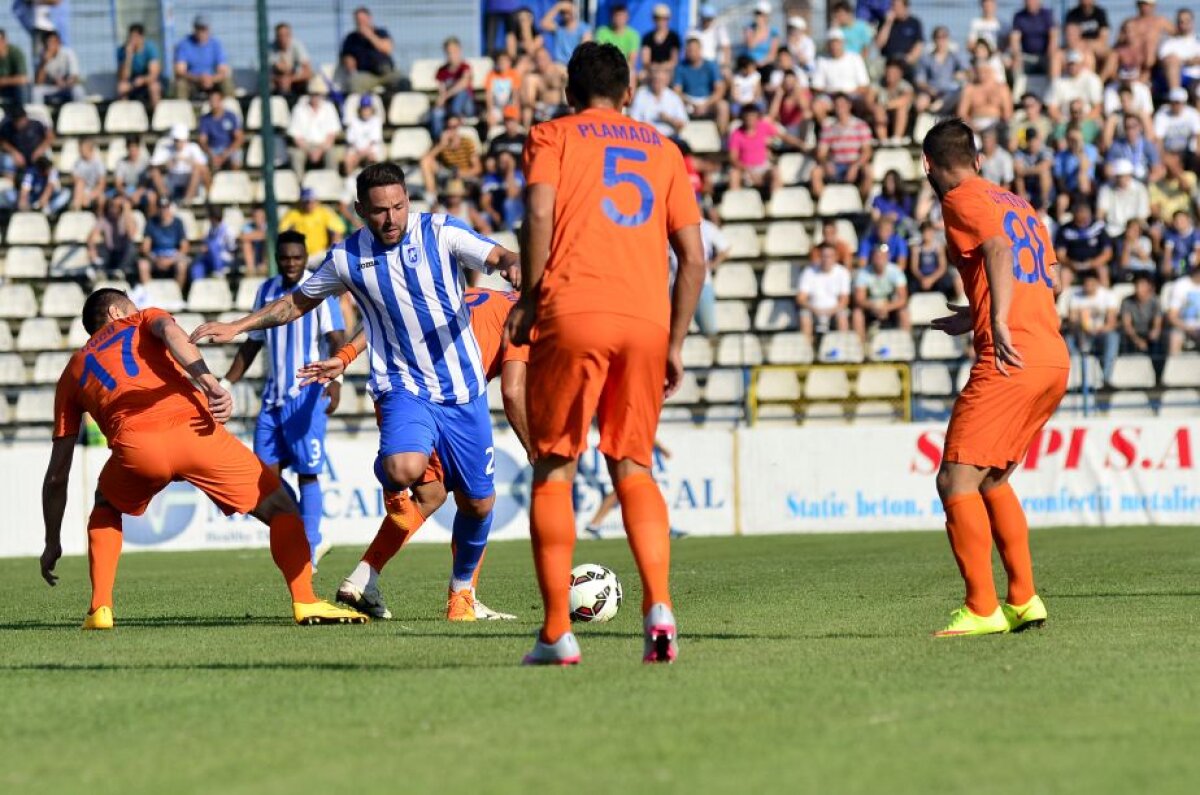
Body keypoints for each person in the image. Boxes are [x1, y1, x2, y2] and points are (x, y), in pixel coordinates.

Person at [191, 162, 522, 624]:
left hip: (463, 391)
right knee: (402, 468)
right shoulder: (347, 258)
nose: (392, 219)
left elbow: (497, 255)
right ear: (360, 210)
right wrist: (238, 326)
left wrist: (511, 265)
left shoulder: (442, 232)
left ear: (408, 199)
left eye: (399, 206)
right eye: (380, 211)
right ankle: (391, 487)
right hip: (402, 387)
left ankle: (461, 597)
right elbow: (294, 303)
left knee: (479, 503)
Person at [505, 41, 705, 665]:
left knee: (555, 467)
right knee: (634, 467)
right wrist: (673, 340)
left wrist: (534, 296)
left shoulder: (552, 135)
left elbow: (538, 210)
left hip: (574, 311)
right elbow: (694, 258)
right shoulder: (665, 150)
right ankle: (660, 608)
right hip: (646, 321)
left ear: (569, 93)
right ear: (629, 92)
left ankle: (558, 633)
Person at [40, 288, 365, 628]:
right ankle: (306, 601)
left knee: (105, 503)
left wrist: (52, 542)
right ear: (116, 313)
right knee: (279, 506)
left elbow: (57, 474)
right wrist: (210, 383)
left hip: (136, 451)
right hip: (194, 432)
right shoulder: (141, 318)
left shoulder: (73, 370)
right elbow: (171, 333)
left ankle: (100, 609)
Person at [295, 286, 530, 620]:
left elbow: (389, 319)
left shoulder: (479, 293)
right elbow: (513, 389)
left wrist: (346, 356)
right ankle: (462, 598)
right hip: (449, 401)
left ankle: (364, 578)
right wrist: (535, 448)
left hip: (413, 389)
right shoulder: (527, 316)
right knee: (477, 503)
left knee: (430, 495)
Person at [921, 118, 1068, 638]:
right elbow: (1050, 279)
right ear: (979, 159)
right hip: (1051, 354)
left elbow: (999, 253)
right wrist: (977, 312)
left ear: (928, 165)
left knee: (955, 478)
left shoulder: (959, 198)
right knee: (993, 479)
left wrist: (998, 320)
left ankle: (982, 608)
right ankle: (1024, 600)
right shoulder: (1020, 205)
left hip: (1011, 355)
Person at [221, 231, 346, 565]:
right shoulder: (267, 290)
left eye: (297, 257)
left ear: (305, 257)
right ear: (278, 258)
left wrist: (337, 380)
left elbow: (337, 338)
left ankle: (312, 544)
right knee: (264, 478)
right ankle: (309, 529)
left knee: (308, 472)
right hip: (272, 400)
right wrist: (226, 384)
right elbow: (252, 343)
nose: (291, 263)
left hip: (305, 396)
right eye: (285, 257)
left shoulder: (320, 289)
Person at [810, 92, 873, 201]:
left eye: (842, 104)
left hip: (854, 163)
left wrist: (856, 166)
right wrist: (826, 163)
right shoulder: (828, 127)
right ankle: (826, 203)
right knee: (815, 173)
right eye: (837, 105)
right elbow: (822, 153)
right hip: (836, 164)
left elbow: (867, 151)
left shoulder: (860, 125)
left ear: (849, 105)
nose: (840, 108)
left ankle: (861, 201)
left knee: (868, 171)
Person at [1067, 270, 1120, 381]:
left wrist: (1099, 329)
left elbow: (1111, 323)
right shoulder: (1075, 296)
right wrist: (1081, 323)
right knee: (1068, 339)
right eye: (1086, 284)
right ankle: (1079, 377)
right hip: (1081, 334)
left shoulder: (1108, 295)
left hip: (1101, 334)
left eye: (1091, 283)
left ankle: (1106, 378)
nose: (1089, 286)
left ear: (1097, 283)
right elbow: (1072, 321)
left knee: (1113, 337)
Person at [853, 243, 911, 339]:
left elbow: (903, 298)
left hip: (890, 306)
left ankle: (905, 343)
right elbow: (859, 299)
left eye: (882, 256)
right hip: (870, 306)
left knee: (904, 312)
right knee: (857, 314)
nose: (879, 259)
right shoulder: (863, 273)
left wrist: (887, 307)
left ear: (887, 257)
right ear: (872, 257)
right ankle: (860, 346)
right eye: (877, 256)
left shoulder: (896, 271)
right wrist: (874, 306)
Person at [797, 241, 852, 341]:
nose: (826, 259)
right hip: (813, 310)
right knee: (804, 315)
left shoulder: (843, 273)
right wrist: (815, 309)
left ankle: (843, 349)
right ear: (819, 257)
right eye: (824, 256)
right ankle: (807, 351)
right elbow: (801, 298)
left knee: (842, 316)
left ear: (835, 257)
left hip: (834, 311)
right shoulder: (809, 272)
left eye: (830, 256)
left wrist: (831, 311)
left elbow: (844, 300)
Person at [675, 33, 728, 133]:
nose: (692, 53)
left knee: (723, 106)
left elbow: (719, 90)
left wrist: (705, 105)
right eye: (689, 50)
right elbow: (677, 91)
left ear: (700, 50)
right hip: (688, 102)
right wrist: (691, 103)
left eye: (694, 50)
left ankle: (722, 140)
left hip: (708, 101)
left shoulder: (711, 66)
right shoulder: (680, 67)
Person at [338, 6, 399, 93]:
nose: (360, 22)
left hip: (386, 71)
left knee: (403, 82)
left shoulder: (381, 32)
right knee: (354, 83)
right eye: (358, 20)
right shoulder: (351, 38)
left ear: (369, 18)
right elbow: (347, 58)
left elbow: (387, 49)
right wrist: (349, 63)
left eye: (362, 19)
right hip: (366, 74)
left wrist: (370, 36)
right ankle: (365, 105)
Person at [173, 15, 233, 100]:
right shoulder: (184, 44)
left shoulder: (216, 44)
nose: (201, 32)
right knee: (180, 84)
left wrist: (211, 79)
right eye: (199, 29)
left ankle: (229, 110)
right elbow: (180, 71)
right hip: (192, 81)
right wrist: (198, 78)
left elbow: (223, 70)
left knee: (227, 82)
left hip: (212, 81)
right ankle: (181, 110)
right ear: (194, 29)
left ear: (209, 29)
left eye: (204, 29)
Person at [419, 115, 482, 195]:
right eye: (448, 127)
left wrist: (462, 174)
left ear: (459, 127)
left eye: (454, 127)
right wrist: (441, 145)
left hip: (464, 175)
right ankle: (432, 196)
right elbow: (425, 159)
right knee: (426, 162)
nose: (451, 130)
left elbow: (478, 168)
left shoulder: (467, 142)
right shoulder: (441, 142)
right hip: (448, 174)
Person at [149, 123, 209, 204]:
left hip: (188, 180)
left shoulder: (193, 148)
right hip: (172, 179)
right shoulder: (166, 148)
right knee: (154, 172)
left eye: (181, 140)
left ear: (186, 140)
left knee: (197, 171)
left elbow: (204, 167)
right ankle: (165, 198)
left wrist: (189, 161)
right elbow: (153, 165)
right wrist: (166, 165)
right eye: (176, 140)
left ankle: (187, 200)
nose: (178, 143)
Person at [1054, 201, 1111, 285]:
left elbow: (1107, 252)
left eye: (1086, 212)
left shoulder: (1098, 227)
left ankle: (1106, 296)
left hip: (1094, 264)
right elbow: (1060, 254)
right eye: (1080, 212)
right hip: (1072, 265)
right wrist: (1071, 263)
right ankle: (1063, 297)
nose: (1084, 215)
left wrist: (1092, 263)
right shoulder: (1065, 229)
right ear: (1074, 214)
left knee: (1103, 270)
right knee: (1064, 273)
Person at [916, 26, 968, 116]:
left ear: (948, 39)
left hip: (952, 93)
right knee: (920, 103)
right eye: (938, 37)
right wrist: (930, 89)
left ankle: (940, 106)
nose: (941, 41)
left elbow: (969, 72)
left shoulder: (955, 56)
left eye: (944, 37)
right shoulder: (926, 58)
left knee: (963, 94)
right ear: (934, 39)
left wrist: (962, 74)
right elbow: (920, 81)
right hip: (932, 92)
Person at [287, 87, 341, 172]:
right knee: (297, 155)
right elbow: (296, 137)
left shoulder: (329, 107)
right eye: (312, 94)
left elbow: (331, 136)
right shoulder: (298, 108)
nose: (315, 97)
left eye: (318, 94)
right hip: (305, 145)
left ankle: (332, 181)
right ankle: (299, 183)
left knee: (332, 154)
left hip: (324, 145)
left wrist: (320, 150)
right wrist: (309, 150)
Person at [431, 37, 476, 139]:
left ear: (460, 51)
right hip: (449, 106)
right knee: (436, 113)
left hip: (466, 107)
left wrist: (446, 95)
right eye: (449, 52)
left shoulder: (465, 67)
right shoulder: (441, 71)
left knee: (461, 93)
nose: (451, 55)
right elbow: (441, 91)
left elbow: (463, 84)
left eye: (454, 51)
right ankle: (439, 139)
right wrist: (441, 100)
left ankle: (454, 119)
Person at [281, 187, 343, 260]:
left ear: (317, 201)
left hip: (320, 254)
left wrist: (332, 251)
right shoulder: (293, 213)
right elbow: (282, 231)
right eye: (306, 201)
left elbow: (337, 231)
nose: (309, 204)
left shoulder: (324, 212)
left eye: (312, 201)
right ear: (301, 202)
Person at [88, 195, 138, 281]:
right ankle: (98, 270)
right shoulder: (104, 219)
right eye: (111, 205)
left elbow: (131, 234)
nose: (113, 209)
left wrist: (126, 209)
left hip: (123, 255)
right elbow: (92, 236)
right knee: (99, 246)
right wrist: (92, 250)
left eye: (117, 206)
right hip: (110, 254)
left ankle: (120, 271)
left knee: (131, 247)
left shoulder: (127, 219)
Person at [630, 65, 688, 139]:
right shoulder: (641, 94)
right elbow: (633, 120)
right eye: (655, 80)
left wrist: (668, 119)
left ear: (666, 81)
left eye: (660, 80)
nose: (657, 83)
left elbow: (682, 124)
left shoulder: (673, 97)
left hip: (669, 138)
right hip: (647, 138)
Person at [139, 198, 188, 286]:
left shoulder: (178, 223)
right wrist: (155, 260)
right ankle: (148, 293)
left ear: (169, 207)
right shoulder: (151, 222)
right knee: (143, 265)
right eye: (161, 207)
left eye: (166, 207)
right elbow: (145, 247)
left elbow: (184, 247)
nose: (163, 210)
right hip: (156, 257)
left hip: (173, 257)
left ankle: (177, 293)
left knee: (181, 266)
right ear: (157, 208)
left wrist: (171, 260)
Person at [197, 85, 244, 172]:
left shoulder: (231, 116)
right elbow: (202, 141)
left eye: (215, 100)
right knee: (204, 161)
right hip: (212, 150)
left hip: (229, 149)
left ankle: (235, 182)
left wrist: (225, 154)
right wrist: (211, 155)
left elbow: (239, 138)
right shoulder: (205, 119)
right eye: (211, 100)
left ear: (221, 101)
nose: (213, 103)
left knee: (236, 159)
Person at [1, 153, 67, 213]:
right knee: (8, 194)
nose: (49, 170)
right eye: (47, 169)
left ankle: (48, 211)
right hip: (32, 198)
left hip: (47, 200)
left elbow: (50, 188)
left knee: (65, 193)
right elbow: (24, 192)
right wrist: (23, 207)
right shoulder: (31, 173)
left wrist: (42, 204)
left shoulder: (52, 171)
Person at [1009, 0, 1058, 80]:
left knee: (1054, 60)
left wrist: (1050, 54)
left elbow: (1053, 37)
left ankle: (1052, 88)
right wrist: (1016, 55)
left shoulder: (1047, 14)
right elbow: (1014, 39)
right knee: (1015, 63)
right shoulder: (1019, 16)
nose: (1031, 2)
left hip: (1044, 55)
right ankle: (1018, 90)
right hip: (1026, 56)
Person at [0, 103, 52, 177]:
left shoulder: (36, 125)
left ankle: (45, 184)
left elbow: (50, 137)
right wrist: (14, 153)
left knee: (44, 162)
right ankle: (10, 186)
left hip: (36, 155)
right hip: (17, 158)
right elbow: (2, 141)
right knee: (7, 161)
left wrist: (40, 150)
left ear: (25, 117)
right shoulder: (7, 127)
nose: (17, 123)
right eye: (15, 120)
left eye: (19, 119)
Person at [116, 23, 162, 107]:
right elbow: (124, 77)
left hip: (147, 81)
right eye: (131, 37)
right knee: (122, 88)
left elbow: (154, 74)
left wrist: (143, 80)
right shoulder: (122, 51)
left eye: (136, 37)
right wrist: (128, 57)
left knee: (154, 87)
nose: (133, 40)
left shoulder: (150, 49)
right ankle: (125, 116)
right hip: (133, 82)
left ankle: (156, 116)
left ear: (142, 37)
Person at [31, 30, 81, 105]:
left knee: (78, 90)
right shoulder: (42, 56)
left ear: (58, 42)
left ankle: (80, 112)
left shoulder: (68, 53)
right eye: (47, 43)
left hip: (67, 87)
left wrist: (65, 84)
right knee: (36, 91)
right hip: (52, 88)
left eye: (52, 42)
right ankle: (39, 114)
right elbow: (38, 82)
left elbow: (74, 76)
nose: (49, 45)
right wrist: (44, 63)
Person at [1120, 272, 1162, 356]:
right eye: (1137, 285)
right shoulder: (1127, 301)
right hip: (1133, 334)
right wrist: (1137, 340)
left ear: (1149, 287)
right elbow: (1127, 325)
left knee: (1158, 344)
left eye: (1142, 285)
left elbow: (1157, 324)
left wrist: (1153, 334)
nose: (1139, 288)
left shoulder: (1155, 301)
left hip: (1149, 334)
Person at [874, 0, 924, 70]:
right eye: (892, 6)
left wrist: (909, 59)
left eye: (896, 6)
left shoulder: (914, 23)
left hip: (906, 62)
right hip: (888, 61)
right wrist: (888, 23)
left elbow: (919, 45)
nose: (893, 9)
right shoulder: (885, 22)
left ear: (905, 7)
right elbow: (879, 44)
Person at [191, 204, 236, 281]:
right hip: (210, 258)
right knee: (197, 266)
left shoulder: (228, 230)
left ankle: (218, 273)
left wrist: (214, 248)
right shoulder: (211, 229)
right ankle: (198, 285)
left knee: (213, 245)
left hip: (224, 259)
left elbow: (232, 249)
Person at [1159, 9, 1200, 91]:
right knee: (1172, 61)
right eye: (1181, 21)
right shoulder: (1169, 43)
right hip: (1181, 77)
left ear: (1192, 22)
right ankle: (1176, 95)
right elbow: (1165, 61)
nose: (1184, 24)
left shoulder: (1197, 43)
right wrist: (1188, 62)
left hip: (1197, 77)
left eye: (1187, 21)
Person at [910, 221, 955, 296]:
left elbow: (942, 267)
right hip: (922, 276)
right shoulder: (917, 248)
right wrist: (922, 279)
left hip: (935, 276)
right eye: (925, 232)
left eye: (929, 231)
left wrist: (931, 279)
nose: (927, 234)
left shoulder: (938, 247)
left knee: (946, 283)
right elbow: (914, 268)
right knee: (912, 284)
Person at [269, 22, 313, 96]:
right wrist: (279, 79)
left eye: (286, 35)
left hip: (296, 82)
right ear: (276, 36)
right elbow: (263, 73)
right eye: (280, 35)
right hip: (276, 83)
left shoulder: (297, 46)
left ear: (290, 35)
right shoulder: (269, 49)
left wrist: (290, 79)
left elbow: (308, 72)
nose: (283, 38)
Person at [1166, 265, 1200, 353]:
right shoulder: (1181, 285)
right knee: (1175, 336)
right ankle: (1175, 365)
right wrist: (1187, 328)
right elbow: (1172, 316)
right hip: (1183, 327)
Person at [641, 4, 682, 77]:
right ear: (653, 19)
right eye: (658, 18)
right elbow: (646, 61)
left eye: (664, 18)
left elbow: (674, 61)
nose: (661, 21)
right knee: (641, 76)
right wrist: (655, 68)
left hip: (668, 71)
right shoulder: (647, 37)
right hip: (652, 70)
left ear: (668, 19)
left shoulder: (674, 37)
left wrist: (661, 68)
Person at [484, 50, 522, 127]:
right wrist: (490, 111)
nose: (502, 63)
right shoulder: (491, 75)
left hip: (509, 106)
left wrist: (514, 110)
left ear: (509, 63)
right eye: (500, 61)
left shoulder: (514, 74)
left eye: (505, 61)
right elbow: (489, 95)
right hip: (496, 107)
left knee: (514, 118)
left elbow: (516, 94)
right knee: (490, 119)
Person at [113, 135, 151, 207]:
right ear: (127, 149)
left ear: (138, 148)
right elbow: (118, 184)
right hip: (127, 192)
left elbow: (147, 183)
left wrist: (137, 194)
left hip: (142, 191)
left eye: (135, 149)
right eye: (130, 150)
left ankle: (151, 218)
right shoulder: (121, 163)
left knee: (152, 198)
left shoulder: (145, 161)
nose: (133, 153)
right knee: (117, 202)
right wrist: (129, 195)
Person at [1162, 209, 1200, 280]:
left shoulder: (1196, 233)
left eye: (1182, 219)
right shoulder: (1171, 234)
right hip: (1178, 262)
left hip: (1191, 263)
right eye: (1176, 220)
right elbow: (1168, 252)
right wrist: (1167, 264)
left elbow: (1197, 251)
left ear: (1188, 220)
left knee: (1193, 258)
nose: (1179, 222)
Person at [693, 4, 732, 69]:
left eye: (709, 19)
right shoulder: (694, 31)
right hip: (698, 64)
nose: (707, 21)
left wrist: (726, 66)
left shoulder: (719, 30)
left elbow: (726, 48)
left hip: (714, 64)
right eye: (705, 18)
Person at [742, 1, 781, 67]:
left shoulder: (774, 32)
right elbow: (750, 46)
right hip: (750, 64)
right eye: (757, 14)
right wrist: (758, 30)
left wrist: (762, 63)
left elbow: (772, 55)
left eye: (761, 14)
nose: (758, 17)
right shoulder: (749, 29)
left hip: (766, 65)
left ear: (767, 16)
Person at [0, 29, 29, 105]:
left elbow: (23, 79)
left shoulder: (15, 53)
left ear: (4, 41)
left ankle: (20, 112)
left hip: (13, 90)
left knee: (21, 88)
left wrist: (3, 81)